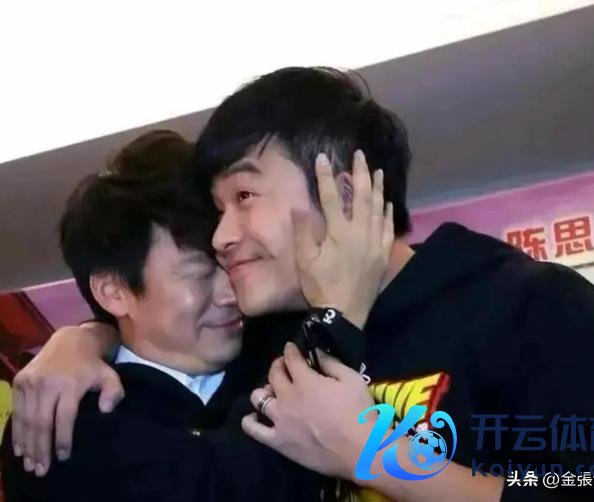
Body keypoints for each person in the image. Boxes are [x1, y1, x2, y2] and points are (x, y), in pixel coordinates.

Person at [11, 67, 594, 501]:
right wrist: (85, 338)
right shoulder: (276, 344)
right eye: (217, 209)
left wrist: (383, 460)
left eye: (245, 196)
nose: (223, 236)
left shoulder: (524, 306)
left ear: (344, 192)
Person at [1, 129, 394, 501]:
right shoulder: (65, 420)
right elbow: (227, 487)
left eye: (232, 263)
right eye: (199, 273)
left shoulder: (284, 335)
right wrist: (335, 321)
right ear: (114, 291)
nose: (230, 293)